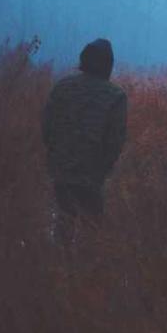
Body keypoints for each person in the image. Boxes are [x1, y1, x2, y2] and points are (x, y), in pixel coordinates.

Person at [41, 39, 127, 244]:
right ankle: (86, 273)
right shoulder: (115, 96)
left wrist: (57, 157)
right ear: (109, 64)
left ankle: (59, 269)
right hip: (92, 175)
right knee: (93, 231)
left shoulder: (62, 87)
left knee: (63, 224)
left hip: (61, 169)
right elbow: (115, 141)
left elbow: (47, 128)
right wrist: (102, 170)